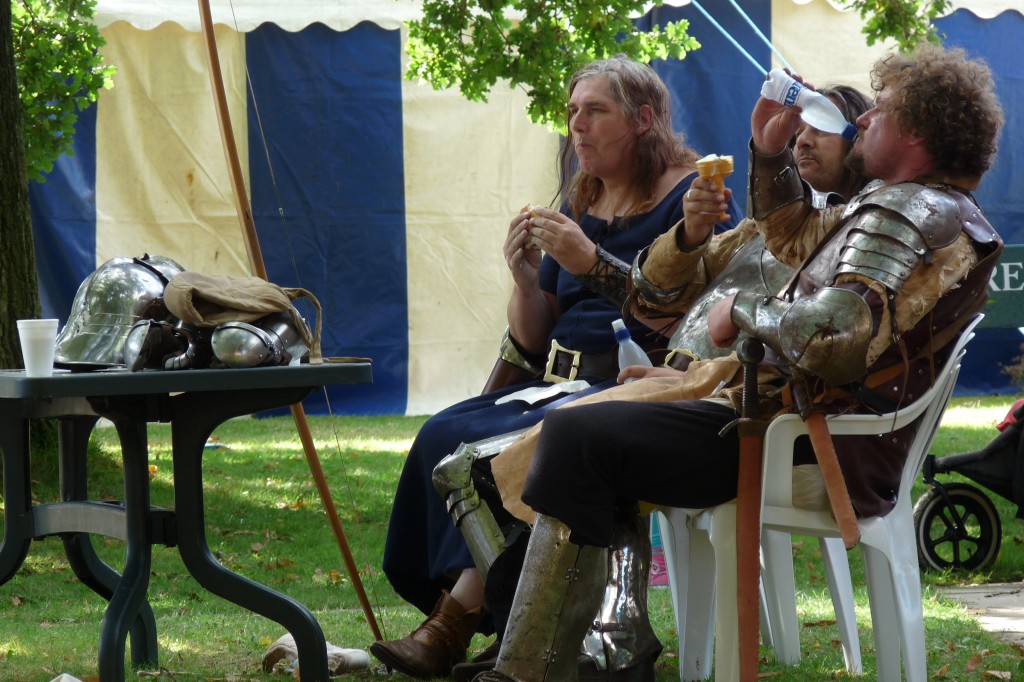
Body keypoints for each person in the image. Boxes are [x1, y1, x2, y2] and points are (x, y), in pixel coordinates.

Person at [472, 43, 1005, 682]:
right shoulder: (918, 205)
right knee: (584, 434)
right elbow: (785, 232)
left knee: (578, 436)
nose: (864, 121)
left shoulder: (908, 208)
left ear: (917, 131)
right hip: (794, 424)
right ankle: (598, 654)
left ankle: (549, 664)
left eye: (881, 110)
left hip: (801, 440)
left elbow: (833, 337)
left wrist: (741, 312)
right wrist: (768, 147)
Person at [435, 82, 872, 682]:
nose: (801, 141)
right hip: (698, 391)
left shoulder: (859, 230)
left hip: (762, 422)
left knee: (565, 440)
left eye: (821, 126)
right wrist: (690, 236)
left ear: (863, 141)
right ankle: (548, 642)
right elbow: (655, 292)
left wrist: (713, 345)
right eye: (797, 130)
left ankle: (566, 651)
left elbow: (824, 341)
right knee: (467, 451)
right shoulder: (767, 231)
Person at [370, 54, 740, 680]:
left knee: (500, 455)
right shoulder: (583, 194)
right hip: (555, 380)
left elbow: (682, 313)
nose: (578, 126)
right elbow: (536, 330)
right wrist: (522, 280)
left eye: (595, 111)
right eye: (573, 112)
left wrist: (590, 258)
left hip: (633, 387)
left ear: (644, 118)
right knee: (440, 433)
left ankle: (459, 627)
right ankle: (493, 623)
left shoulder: (689, 197)